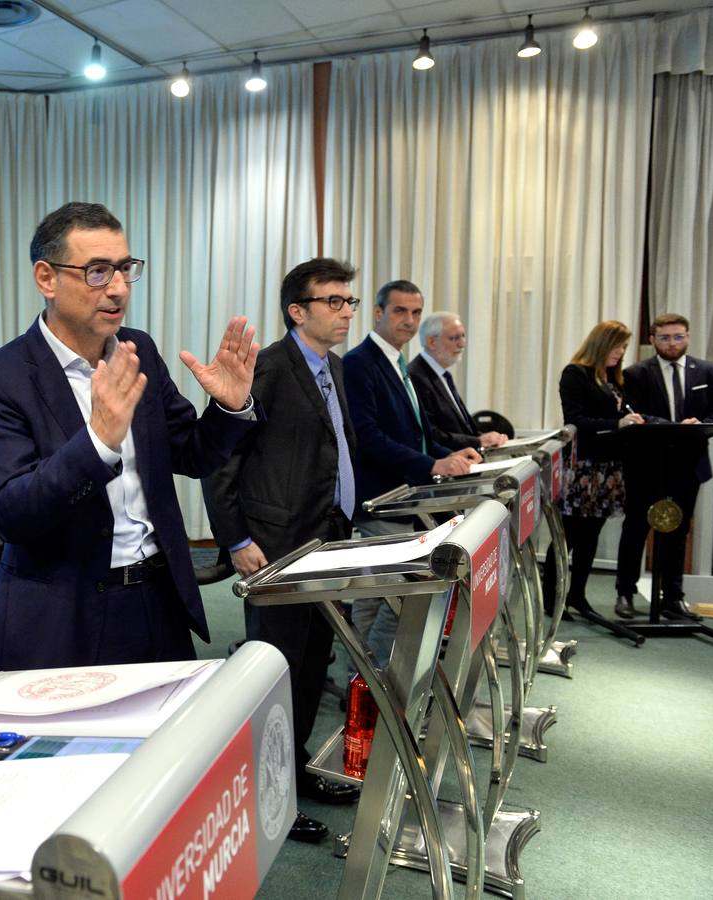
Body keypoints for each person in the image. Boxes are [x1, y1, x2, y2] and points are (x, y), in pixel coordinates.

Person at [0, 202, 259, 673]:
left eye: (124, 268)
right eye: (98, 272)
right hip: (62, 615)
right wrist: (98, 441)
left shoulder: (137, 350)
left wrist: (228, 406)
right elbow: (12, 515)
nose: (119, 288)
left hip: (156, 600)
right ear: (47, 278)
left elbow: (192, 453)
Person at [204, 257, 362, 845]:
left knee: (313, 662)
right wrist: (237, 538)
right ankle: (268, 795)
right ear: (298, 310)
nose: (346, 311)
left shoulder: (334, 368)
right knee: (276, 673)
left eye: (349, 300)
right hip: (276, 547)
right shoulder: (266, 368)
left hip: (328, 539)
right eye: (334, 302)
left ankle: (293, 773)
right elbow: (221, 458)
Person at [342, 281, 482, 664]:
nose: (409, 321)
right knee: (398, 597)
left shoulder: (399, 362)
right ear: (378, 313)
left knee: (378, 596)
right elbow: (367, 438)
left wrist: (452, 455)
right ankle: (378, 682)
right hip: (381, 499)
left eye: (416, 312)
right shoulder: (359, 362)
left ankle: (366, 680)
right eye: (400, 311)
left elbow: (419, 435)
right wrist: (432, 464)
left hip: (405, 495)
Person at [613, 313, 713, 620]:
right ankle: (625, 592)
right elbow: (638, 414)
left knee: (679, 529)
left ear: (687, 336)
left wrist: (699, 424)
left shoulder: (707, 371)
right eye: (665, 338)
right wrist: (676, 426)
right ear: (652, 340)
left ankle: (673, 597)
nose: (672, 343)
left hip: (690, 466)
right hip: (648, 464)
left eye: (678, 337)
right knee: (636, 528)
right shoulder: (635, 373)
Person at [540, 320, 642, 619]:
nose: (621, 352)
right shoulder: (576, 374)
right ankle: (551, 599)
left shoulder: (613, 378)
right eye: (617, 346)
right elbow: (576, 420)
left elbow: (624, 413)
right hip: (582, 468)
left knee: (591, 536)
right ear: (601, 344)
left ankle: (578, 595)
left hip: (608, 468)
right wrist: (617, 424)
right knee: (568, 536)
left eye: (624, 347)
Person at [408, 312, 509, 450]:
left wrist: (488, 438)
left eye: (463, 336)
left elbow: (461, 429)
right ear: (432, 342)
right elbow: (430, 434)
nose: (462, 343)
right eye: (454, 338)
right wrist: (477, 441)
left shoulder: (442, 374)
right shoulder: (416, 376)